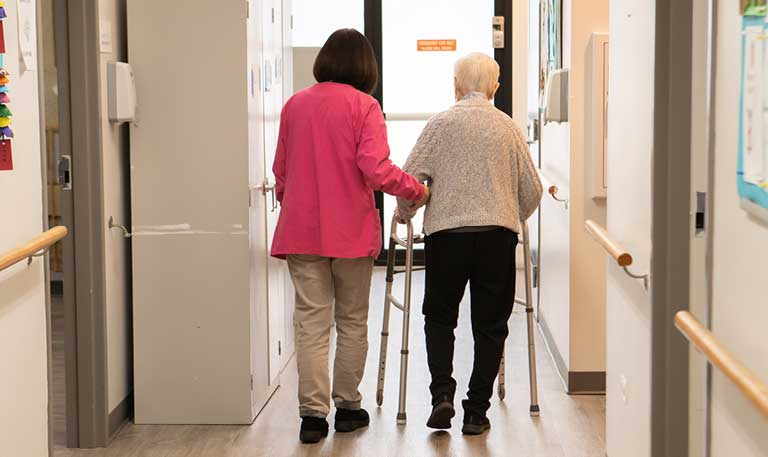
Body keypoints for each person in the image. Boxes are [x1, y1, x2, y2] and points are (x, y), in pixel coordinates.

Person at [271, 28, 430, 444]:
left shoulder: (295, 105)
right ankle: (347, 408)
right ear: (365, 66)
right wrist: (416, 189)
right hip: (351, 235)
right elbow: (375, 169)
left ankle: (311, 417)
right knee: (352, 320)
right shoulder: (365, 106)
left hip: (302, 232)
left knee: (311, 323)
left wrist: (300, 200)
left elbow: (281, 174)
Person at [397, 52, 542, 435]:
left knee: (440, 317)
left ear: (457, 85)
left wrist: (408, 211)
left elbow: (410, 180)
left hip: (447, 236)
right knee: (491, 325)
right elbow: (533, 189)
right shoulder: (507, 127)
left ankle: (442, 394)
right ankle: (477, 411)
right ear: (495, 88)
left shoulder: (440, 124)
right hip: (497, 236)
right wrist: (509, 212)